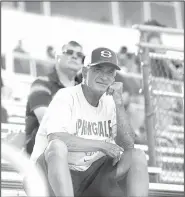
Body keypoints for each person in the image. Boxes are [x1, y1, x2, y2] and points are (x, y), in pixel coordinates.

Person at [30, 47, 149, 197]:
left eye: (110, 72)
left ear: (114, 78)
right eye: (98, 70)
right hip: (49, 176)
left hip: (89, 176)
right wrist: (101, 145)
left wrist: (119, 104)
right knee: (57, 147)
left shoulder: (111, 102)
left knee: (137, 156)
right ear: (85, 72)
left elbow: (128, 146)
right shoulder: (66, 96)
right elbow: (56, 138)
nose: (104, 77)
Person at [25, 40, 85, 155]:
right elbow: (47, 122)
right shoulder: (41, 84)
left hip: (75, 152)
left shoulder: (84, 89)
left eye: (79, 55)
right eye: (69, 52)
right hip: (43, 154)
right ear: (58, 57)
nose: (74, 56)